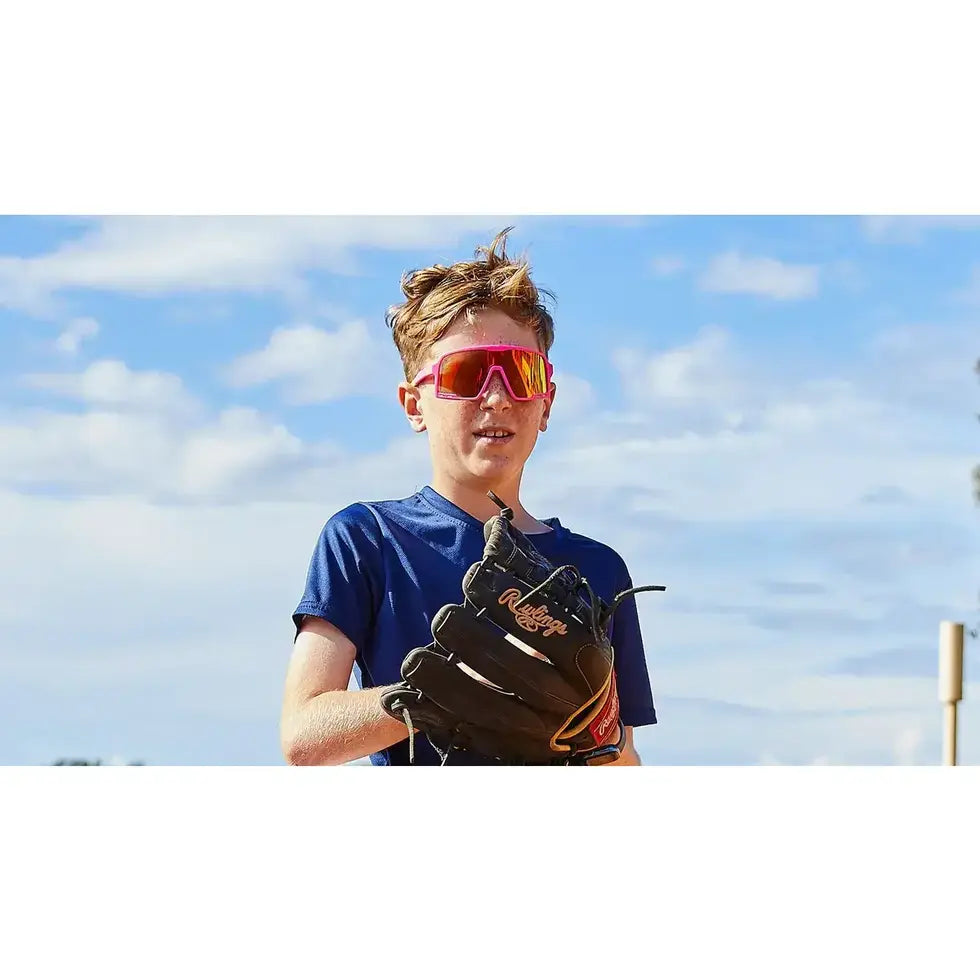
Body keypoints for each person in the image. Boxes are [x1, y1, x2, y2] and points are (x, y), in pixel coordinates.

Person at [279, 228, 657, 766]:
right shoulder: (367, 539)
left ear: (546, 404)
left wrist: (595, 728)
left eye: (521, 374)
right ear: (415, 405)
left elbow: (625, 761)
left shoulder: (598, 569)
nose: (498, 397)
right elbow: (303, 736)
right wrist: (441, 690)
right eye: (467, 375)